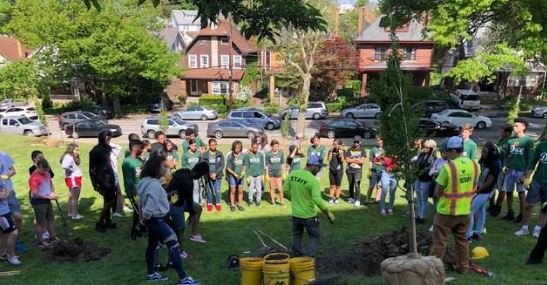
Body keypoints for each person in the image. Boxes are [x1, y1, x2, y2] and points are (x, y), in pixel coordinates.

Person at [137, 154, 199, 284]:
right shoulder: (154, 185)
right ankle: (183, 278)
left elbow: (142, 202)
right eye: (163, 166)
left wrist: (166, 196)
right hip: (157, 220)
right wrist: (144, 219)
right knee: (173, 243)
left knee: (152, 245)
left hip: (151, 220)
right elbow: (149, 206)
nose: (165, 169)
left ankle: (151, 273)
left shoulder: (144, 182)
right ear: (156, 168)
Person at [430, 136, 480, 274]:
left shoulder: (449, 167)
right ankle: (463, 267)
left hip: (446, 212)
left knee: (440, 241)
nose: (446, 154)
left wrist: (440, 200)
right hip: (465, 211)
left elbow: (438, 191)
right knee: (462, 241)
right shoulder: (475, 165)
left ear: (453, 150)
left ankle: (434, 269)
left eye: (447, 151)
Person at [284, 156, 335, 257]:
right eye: (319, 167)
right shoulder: (313, 181)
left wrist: (294, 200)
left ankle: (296, 257)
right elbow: (317, 200)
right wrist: (328, 213)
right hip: (309, 216)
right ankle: (308, 259)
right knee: (314, 236)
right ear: (313, 166)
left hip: (296, 214)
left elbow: (285, 191)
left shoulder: (293, 174)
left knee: (297, 236)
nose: (319, 169)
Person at [497, 118, 535, 223]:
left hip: (520, 171)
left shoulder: (528, 141)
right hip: (510, 170)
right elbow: (507, 155)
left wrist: (526, 175)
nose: (514, 127)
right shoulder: (511, 140)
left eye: (516, 126)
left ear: (523, 127)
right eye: (514, 125)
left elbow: (530, 159)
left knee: (521, 193)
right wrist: (505, 165)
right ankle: (510, 212)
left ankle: (521, 214)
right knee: (508, 191)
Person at [167, 162, 209, 244]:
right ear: (199, 173)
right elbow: (189, 201)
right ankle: (179, 250)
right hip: (173, 202)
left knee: (198, 208)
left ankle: (194, 234)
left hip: (177, 199)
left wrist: (192, 212)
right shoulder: (189, 181)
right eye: (201, 175)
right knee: (181, 228)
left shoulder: (184, 171)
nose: (200, 177)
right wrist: (192, 214)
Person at [515, 127, 547, 238]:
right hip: (537, 180)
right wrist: (527, 178)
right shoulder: (542, 146)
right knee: (528, 205)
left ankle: (538, 229)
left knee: (545, 207)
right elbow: (532, 163)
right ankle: (524, 228)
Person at [467, 142, 500, 241]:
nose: (483, 154)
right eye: (482, 151)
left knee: (470, 211)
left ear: (491, 152)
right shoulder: (485, 161)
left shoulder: (494, 164)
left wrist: (477, 191)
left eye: (485, 152)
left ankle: (468, 236)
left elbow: (489, 181)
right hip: (481, 188)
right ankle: (477, 233)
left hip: (486, 190)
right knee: (481, 211)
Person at [89, 130, 118, 232]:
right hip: (102, 179)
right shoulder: (95, 151)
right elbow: (91, 169)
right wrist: (94, 184)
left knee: (109, 200)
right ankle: (100, 222)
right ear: (102, 138)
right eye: (107, 138)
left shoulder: (108, 149)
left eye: (110, 138)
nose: (109, 140)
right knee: (110, 201)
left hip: (110, 177)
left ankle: (108, 222)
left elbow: (110, 164)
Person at [29, 158, 58, 249]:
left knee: (50, 219)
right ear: (38, 166)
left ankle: (52, 237)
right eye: (43, 169)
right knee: (41, 222)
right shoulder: (34, 178)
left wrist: (52, 192)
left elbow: (49, 183)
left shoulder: (47, 173)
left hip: (47, 199)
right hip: (39, 202)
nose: (45, 171)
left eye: (46, 169)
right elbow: (35, 193)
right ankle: (40, 242)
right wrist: (48, 197)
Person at [0, 151, 25, 253]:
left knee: (18, 217)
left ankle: (16, 240)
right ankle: (5, 249)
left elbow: (13, 171)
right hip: (1, 194)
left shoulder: (4, 155)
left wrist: (3, 177)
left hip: (9, 191)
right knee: (5, 221)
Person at [489, 125, 513, 216]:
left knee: (502, 189)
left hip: (504, 168)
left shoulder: (510, 141)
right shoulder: (501, 139)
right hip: (497, 166)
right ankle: (491, 205)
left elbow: (508, 154)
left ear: (507, 133)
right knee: (492, 186)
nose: (500, 133)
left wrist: (498, 149)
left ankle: (497, 207)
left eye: (502, 131)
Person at [415, 140, 437, 224]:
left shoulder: (433, 158)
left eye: (427, 148)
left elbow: (429, 169)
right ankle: (419, 214)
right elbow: (417, 163)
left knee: (424, 199)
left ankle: (422, 217)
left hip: (426, 180)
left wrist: (421, 171)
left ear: (432, 148)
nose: (425, 149)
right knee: (418, 197)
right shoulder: (421, 154)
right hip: (418, 178)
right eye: (424, 147)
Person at [0, 175, 21, 265]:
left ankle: (2, 254)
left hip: (5, 210)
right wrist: (4, 193)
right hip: (1, 214)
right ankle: (11, 256)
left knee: (6, 234)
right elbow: (3, 197)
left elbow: (7, 191)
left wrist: (5, 193)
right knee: (13, 232)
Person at [60, 143, 84, 220]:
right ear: (71, 150)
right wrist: (71, 170)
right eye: (76, 150)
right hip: (73, 178)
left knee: (71, 196)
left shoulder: (71, 156)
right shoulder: (69, 157)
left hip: (73, 178)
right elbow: (64, 166)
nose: (78, 151)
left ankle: (70, 213)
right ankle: (75, 215)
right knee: (75, 198)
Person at [202, 139, 224, 212]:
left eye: (215, 144)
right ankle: (210, 203)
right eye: (212, 145)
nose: (213, 146)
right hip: (208, 176)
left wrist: (215, 173)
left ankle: (218, 203)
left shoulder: (220, 154)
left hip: (218, 175)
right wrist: (210, 174)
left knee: (217, 190)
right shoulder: (205, 155)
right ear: (209, 145)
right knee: (209, 191)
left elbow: (222, 165)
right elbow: (203, 166)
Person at [226, 140, 246, 211]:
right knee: (233, 191)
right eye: (236, 148)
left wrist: (243, 172)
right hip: (232, 176)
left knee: (240, 191)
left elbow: (244, 164)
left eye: (239, 148)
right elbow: (227, 167)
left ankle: (240, 204)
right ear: (233, 148)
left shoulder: (243, 155)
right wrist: (234, 174)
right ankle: (232, 205)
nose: (237, 149)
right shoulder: (230, 156)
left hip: (241, 176)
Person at [346, 140, 366, 207]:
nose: (356, 143)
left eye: (357, 142)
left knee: (357, 184)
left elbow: (362, 161)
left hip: (358, 170)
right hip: (350, 169)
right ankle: (351, 197)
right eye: (355, 142)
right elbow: (347, 160)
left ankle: (357, 200)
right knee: (351, 184)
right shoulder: (349, 149)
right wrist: (356, 159)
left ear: (360, 142)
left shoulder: (362, 150)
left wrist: (352, 160)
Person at [244, 141, 265, 206]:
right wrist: (247, 176)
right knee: (251, 189)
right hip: (251, 175)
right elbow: (246, 166)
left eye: (256, 148)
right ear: (251, 148)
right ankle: (250, 201)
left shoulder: (260, 155)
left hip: (258, 175)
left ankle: (258, 201)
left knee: (259, 189)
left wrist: (262, 175)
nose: (255, 149)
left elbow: (262, 166)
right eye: (254, 148)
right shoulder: (248, 156)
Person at [266, 139, 285, 206]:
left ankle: (282, 201)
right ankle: (273, 202)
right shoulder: (268, 154)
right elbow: (267, 165)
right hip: (271, 174)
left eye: (277, 146)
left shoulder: (281, 153)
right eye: (274, 146)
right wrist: (267, 174)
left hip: (278, 173)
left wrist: (283, 173)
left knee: (280, 189)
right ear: (271, 146)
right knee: (272, 188)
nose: (275, 148)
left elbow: (282, 163)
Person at [367, 137, 385, 203]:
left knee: (379, 186)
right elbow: (370, 161)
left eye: (381, 142)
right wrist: (370, 170)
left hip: (382, 170)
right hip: (374, 170)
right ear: (376, 142)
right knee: (371, 186)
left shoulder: (384, 150)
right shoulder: (373, 150)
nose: (380, 143)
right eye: (379, 142)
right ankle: (367, 199)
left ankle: (377, 199)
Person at [328, 139, 345, 205]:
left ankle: (337, 198)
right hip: (332, 169)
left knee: (338, 186)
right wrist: (331, 152)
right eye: (334, 144)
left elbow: (342, 160)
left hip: (339, 170)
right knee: (332, 185)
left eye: (336, 144)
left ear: (339, 145)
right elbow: (329, 159)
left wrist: (341, 153)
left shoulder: (343, 151)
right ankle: (331, 198)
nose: (335, 146)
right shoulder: (331, 150)